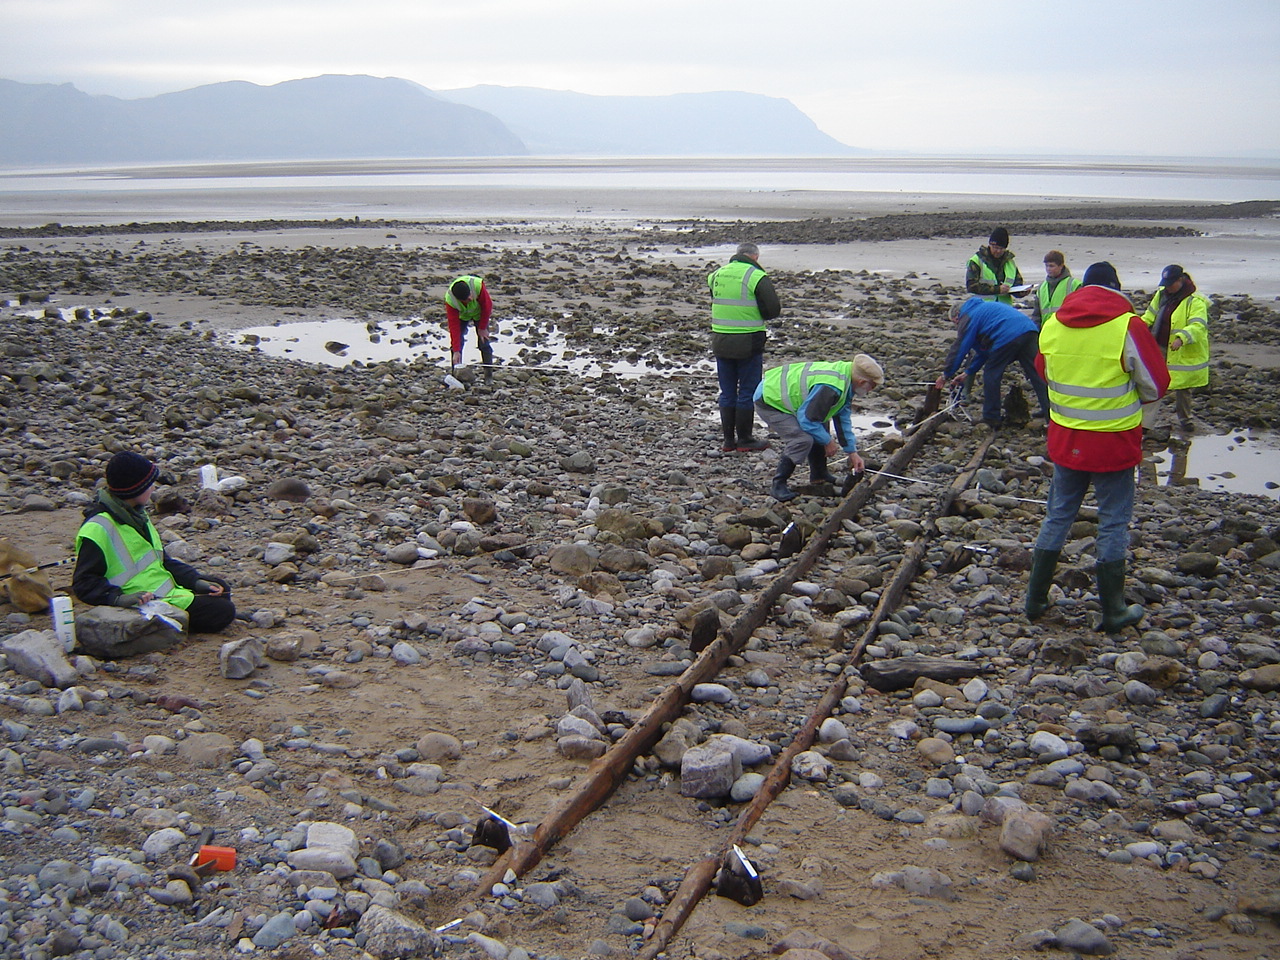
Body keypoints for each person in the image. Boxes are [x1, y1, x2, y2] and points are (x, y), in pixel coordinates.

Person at [1025, 262, 1170, 633]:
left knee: (1057, 515)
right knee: (1113, 522)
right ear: (1116, 289)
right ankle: (1113, 610)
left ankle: (1035, 599)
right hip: (1114, 443)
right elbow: (1156, 384)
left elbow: (1043, 372)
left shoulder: (1054, 324)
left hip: (1066, 439)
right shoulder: (1128, 326)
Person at [73, 451, 236, 634]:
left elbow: (163, 562)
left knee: (221, 588)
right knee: (223, 611)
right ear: (134, 489)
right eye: (149, 484)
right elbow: (83, 584)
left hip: (164, 590)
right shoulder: (98, 527)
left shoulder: (138, 516)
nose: (153, 488)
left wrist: (195, 580)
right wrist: (117, 598)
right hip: (143, 601)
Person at [753, 354, 884, 502]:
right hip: (769, 400)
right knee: (802, 439)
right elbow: (807, 420)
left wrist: (852, 452)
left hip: (783, 395)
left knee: (820, 423)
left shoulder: (847, 379)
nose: (871, 390)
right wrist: (828, 441)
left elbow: (842, 419)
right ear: (862, 381)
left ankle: (819, 474)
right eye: (872, 386)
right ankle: (778, 484)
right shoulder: (831, 387)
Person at [708, 242, 781, 452]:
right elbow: (772, 309)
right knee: (747, 391)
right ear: (755, 257)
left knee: (727, 391)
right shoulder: (756, 276)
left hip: (721, 339)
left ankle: (728, 441)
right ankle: (745, 439)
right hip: (748, 341)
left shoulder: (716, 275)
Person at [936, 296, 1051, 429]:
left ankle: (991, 417)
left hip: (1007, 335)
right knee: (1038, 375)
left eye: (955, 323)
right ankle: (1051, 414)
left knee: (991, 374)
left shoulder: (967, 317)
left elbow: (960, 348)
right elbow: (984, 352)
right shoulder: (985, 309)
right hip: (1029, 331)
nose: (957, 326)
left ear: (957, 316)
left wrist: (945, 374)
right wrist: (968, 372)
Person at [1140, 264, 1210, 428]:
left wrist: (1181, 338)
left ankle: (1185, 420)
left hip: (1181, 351)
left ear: (1181, 280)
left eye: (1171, 284)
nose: (1167, 288)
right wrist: (1137, 328)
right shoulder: (1161, 294)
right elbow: (1150, 315)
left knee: (1183, 388)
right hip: (1159, 345)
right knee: (1152, 383)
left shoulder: (1195, 301)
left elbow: (1198, 326)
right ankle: (1145, 423)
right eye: (1165, 284)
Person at [444, 275, 494, 374]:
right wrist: (456, 350)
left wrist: (482, 328)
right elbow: (453, 327)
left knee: (484, 342)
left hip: (480, 314)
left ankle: (489, 376)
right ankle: (456, 373)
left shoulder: (477, 286)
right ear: (460, 300)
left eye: (470, 295)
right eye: (467, 299)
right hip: (462, 317)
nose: (471, 298)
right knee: (456, 346)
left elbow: (487, 306)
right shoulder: (451, 301)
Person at [965, 227, 1027, 305]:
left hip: (1004, 309)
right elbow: (971, 287)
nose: (998, 251)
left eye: (1001, 248)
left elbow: (1016, 285)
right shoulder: (976, 261)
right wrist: (997, 289)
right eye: (995, 247)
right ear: (990, 244)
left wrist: (1021, 292)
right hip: (982, 308)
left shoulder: (1010, 263)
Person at [1031, 250, 1081, 327]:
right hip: (1046, 330)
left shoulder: (1074, 284)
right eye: (1046, 266)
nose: (1048, 269)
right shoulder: (1041, 287)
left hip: (1065, 329)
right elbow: (1037, 315)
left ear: (1061, 266)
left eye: (1051, 266)